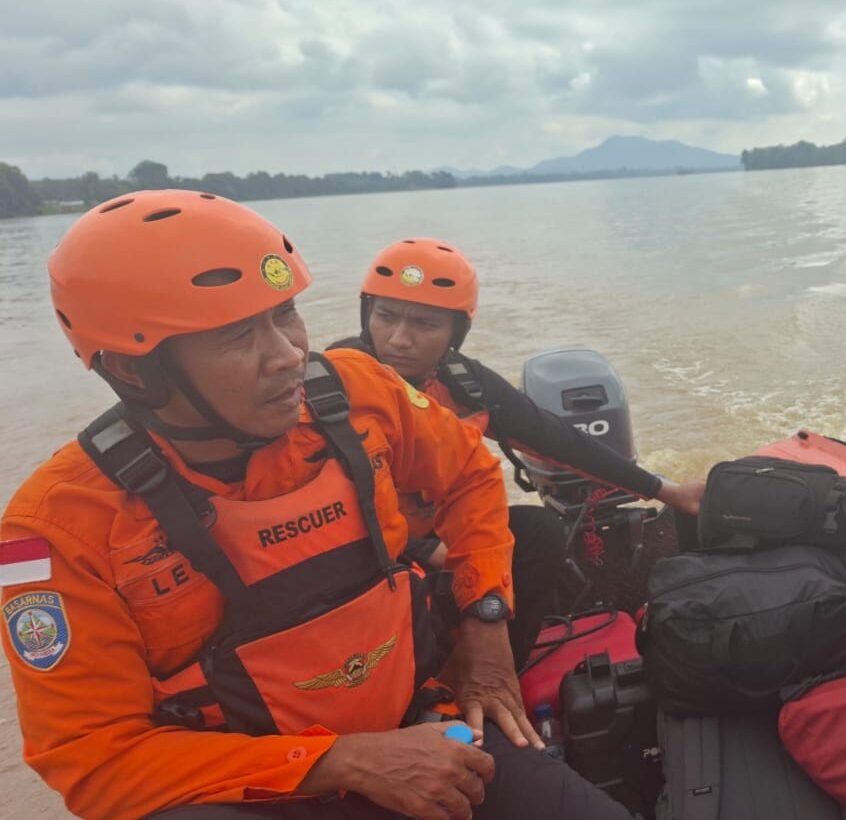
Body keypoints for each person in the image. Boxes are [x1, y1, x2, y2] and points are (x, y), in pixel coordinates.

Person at [0, 191, 632, 820]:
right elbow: (96, 761)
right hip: (261, 790)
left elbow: (470, 471)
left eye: (286, 314)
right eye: (236, 335)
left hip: (428, 730)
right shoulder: (59, 529)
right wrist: (343, 762)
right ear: (133, 370)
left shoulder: (358, 390)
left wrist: (486, 621)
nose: (288, 355)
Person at [328, 238, 703, 660]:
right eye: (386, 316)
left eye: (425, 324)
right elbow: (324, 512)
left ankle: (505, 672)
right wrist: (426, 552)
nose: (399, 339)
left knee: (541, 531)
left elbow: (558, 440)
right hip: (364, 552)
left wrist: (666, 490)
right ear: (367, 314)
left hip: (443, 532)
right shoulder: (333, 390)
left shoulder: (461, 381)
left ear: (456, 332)